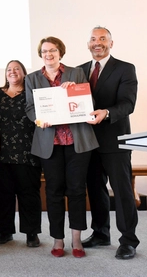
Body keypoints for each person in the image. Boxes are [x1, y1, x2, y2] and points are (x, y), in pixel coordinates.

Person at [25, 36, 98, 259]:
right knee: (53, 192)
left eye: (53, 50)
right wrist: (39, 120)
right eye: (45, 51)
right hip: (51, 142)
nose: (49, 54)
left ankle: (76, 239)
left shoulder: (76, 73)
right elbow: (30, 108)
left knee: (77, 190)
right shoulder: (32, 78)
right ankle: (58, 239)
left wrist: (75, 90)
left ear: (60, 52)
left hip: (77, 141)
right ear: (40, 54)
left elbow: (88, 102)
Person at [80, 26, 139, 260]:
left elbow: (128, 104)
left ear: (111, 43)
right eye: (93, 39)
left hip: (115, 140)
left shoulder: (125, 68)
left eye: (102, 39)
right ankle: (101, 233)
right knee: (95, 190)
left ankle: (128, 240)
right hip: (88, 141)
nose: (98, 43)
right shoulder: (80, 70)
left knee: (122, 191)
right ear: (88, 44)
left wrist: (107, 112)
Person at [0, 60, 41, 248]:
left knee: (29, 194)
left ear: (24, 73)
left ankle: (31, 232)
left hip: (27, 153)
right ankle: (5, 231)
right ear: (5, 74)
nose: (12, 72)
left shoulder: (32, 95)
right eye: (9, 70)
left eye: (16, 69)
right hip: (1, 155)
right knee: (3, 194)